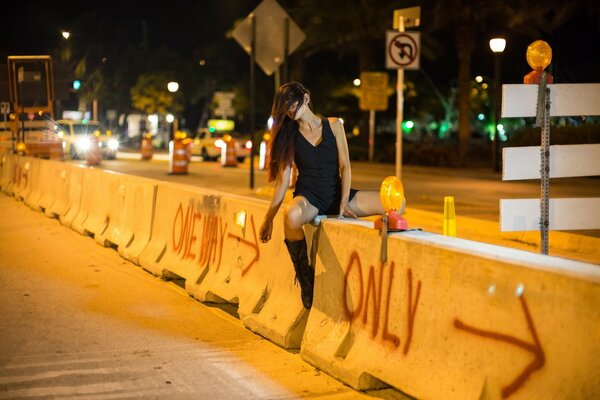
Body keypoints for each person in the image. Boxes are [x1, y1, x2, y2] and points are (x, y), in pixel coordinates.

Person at [259, 82, 402, 309]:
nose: (290, 112)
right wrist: (268, 218)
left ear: (306, 98)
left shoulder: (334, 125)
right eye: (285, 109)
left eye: (292, 106)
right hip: (309, 197)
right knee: (292, 215)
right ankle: (306, 279)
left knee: (395, 203)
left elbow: (345, 166)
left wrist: (344, 201)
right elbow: (283, 182)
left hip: (337, 193)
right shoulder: (290, 136)